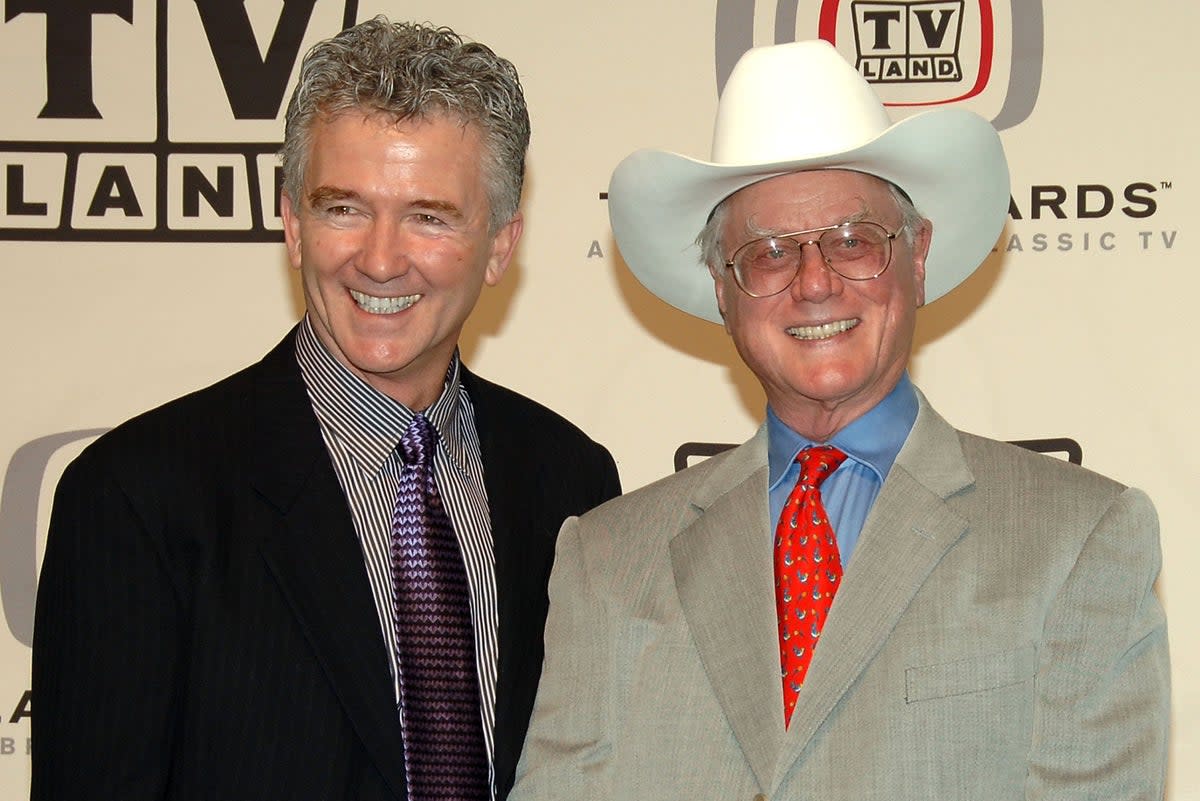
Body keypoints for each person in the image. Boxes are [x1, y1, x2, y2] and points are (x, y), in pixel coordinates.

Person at [511, 40, 1168, 800]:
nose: (815, 281)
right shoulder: (606, 560)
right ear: (724, 290)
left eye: (854, 240)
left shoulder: (1079, 539)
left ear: (916, 257)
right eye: (769, 252)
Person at [32, 17, 620, 801]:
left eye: (430, 216)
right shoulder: (139, 495)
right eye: (344, 208)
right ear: (292, 221)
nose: (380, 259)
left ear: (502, 245)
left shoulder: (571, 481)